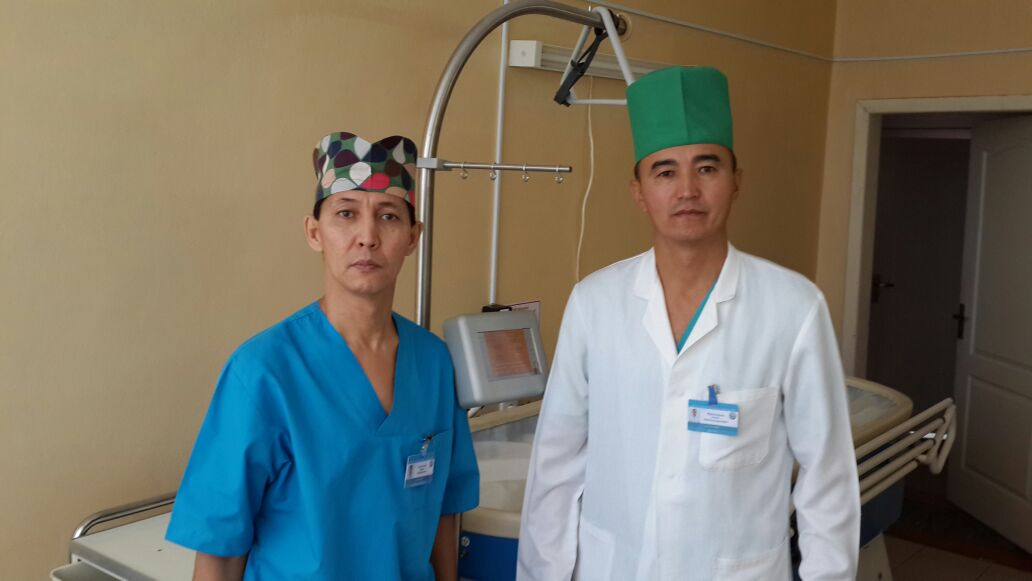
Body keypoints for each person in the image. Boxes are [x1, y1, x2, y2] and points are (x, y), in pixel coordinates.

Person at [517, 67, 859, 580]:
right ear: (638, 191)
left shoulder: (793, 308)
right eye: (665, 172)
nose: (687, 190)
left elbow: (827, 478)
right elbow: (556, 467)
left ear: (736, 182)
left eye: (707, 167)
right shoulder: (594, 304)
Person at [166, 131, 479, 580]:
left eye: (389, 216)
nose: (367, 237)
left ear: (413, 237)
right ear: (315, 233)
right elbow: (220, 550)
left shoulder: (434, 364)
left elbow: (444, 510)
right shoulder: (263, 372)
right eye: (346, 214)